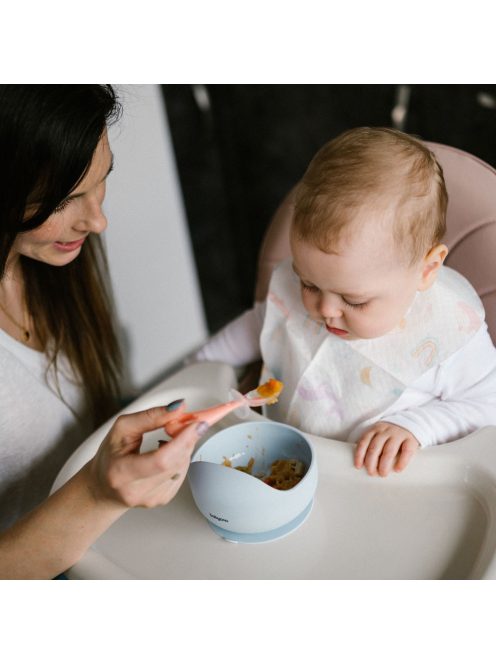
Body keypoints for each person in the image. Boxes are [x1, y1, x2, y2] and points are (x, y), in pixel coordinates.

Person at [192, 127, 496, 477]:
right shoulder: (308, 290)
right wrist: (199, 369)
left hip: (383, 484)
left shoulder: (448, 332)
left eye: (354, 301)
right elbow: (264, 322)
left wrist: (418, 426)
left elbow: (488, 405)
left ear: (427, 269)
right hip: (288, 464)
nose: (325, 309)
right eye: (309, 283)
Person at [0, 85, 209, 579]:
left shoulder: (46, 264)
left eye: (102, 179)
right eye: (63, 200)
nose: (98, 220)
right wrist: (97, 492)